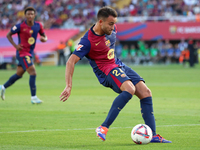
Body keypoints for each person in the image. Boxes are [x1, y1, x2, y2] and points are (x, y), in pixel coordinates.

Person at [60, 6, 171, 143]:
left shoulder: (112, 29)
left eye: (114, 23)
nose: (113, 27)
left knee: (146, 92)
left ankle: (153, 135)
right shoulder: (87, 41)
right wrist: (68, 85)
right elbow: (70, 62)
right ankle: (103, 127)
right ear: (100, 22)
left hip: (118, 65)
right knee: (130, 89)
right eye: (111, 23)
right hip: (105, 70)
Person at [0, 7, 47, 104]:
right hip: (22, 53)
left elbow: (44, 36)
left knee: (19, 74)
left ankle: (2, 87)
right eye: (28, 14)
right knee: (33, 72)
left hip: (29, 53)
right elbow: (9, 35)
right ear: (25, 15)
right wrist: (16, 46)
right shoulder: (20, 26)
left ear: (34, 15)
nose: (30, 16)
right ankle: (33, 98)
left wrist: (44, 39)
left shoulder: (38, 26)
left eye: (31, 14)